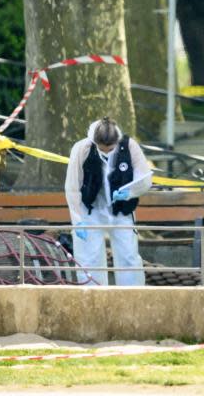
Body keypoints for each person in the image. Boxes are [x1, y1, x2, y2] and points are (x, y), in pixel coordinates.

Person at [64, 117, 152, 286]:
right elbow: (72, 186)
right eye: (102, 149)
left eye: (110, 149)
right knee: (90, 258)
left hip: (121, 209)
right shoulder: (82, 148)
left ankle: (131, 298)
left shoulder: (130, 146)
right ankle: (93, 297)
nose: (106, 152)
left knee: (128, 256)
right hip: (91, 210)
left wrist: (129, 192)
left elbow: (145, 179)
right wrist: (77, 220)